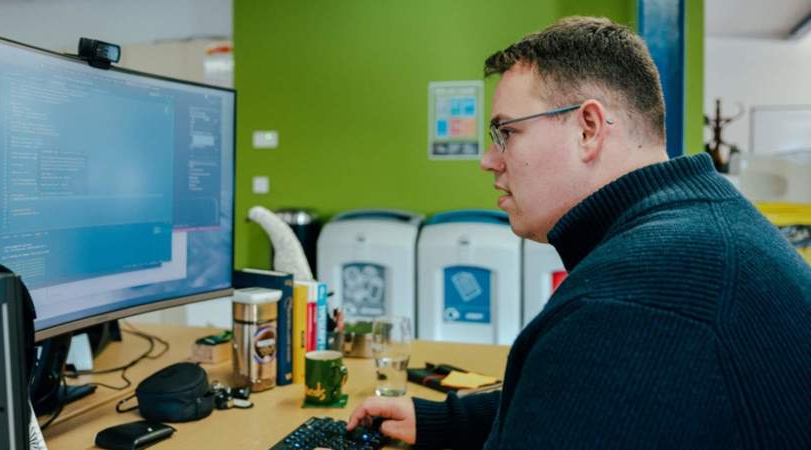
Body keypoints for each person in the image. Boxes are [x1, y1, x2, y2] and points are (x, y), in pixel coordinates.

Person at [347, 16, 811, 450]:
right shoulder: (703, 225)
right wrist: (442, 420)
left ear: (588, 129)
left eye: (506, 132)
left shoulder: (634, 297)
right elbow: (585, 398)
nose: (488, 160)